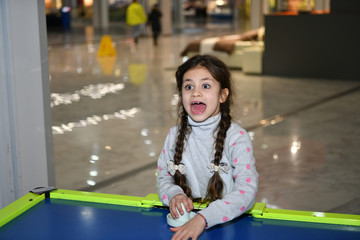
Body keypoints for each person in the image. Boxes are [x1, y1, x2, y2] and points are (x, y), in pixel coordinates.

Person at [157, 55, 259, 240]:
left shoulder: (237, 138)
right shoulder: (173, 136)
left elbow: (247, 190)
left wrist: (204, 218)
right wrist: (174, 194)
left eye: (205, 86)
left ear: (222, 95)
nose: (196, 93)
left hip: (228, 225)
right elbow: (164, 178)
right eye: (189, 86)